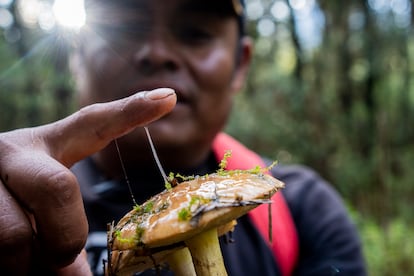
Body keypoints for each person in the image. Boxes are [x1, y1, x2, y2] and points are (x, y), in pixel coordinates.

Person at [0, 0, 366, 275]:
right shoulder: (22, 205)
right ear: (76, 57)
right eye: (125, 29)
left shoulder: (303, 211)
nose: (157, 54)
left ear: (241, 64)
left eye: (195, 33)